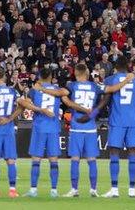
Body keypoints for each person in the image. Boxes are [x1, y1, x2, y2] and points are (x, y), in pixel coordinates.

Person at [61, 63, 134, 197]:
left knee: (75, 159)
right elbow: (112, 89)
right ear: (87, 73)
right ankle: (93, 189)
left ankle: (74, 189)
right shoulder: (95, 86)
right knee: (92, 159)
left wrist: (73, 105)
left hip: (76, 126)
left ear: (76, 73)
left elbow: (63, 97)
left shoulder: (71, 86)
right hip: (90, 127)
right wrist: (127, 80)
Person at [26, 67, 92, 198]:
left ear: (39, 77)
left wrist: (39, 108)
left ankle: (33, 189)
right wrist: (85, 110)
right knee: (54, 160)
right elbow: (67, 100)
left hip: (39, 127)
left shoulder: (34, 91)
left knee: (36, 159)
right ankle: (54, 190)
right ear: (51, 77)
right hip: (53, 127)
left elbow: (26, 104)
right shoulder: (58, 90)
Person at [0, 67, 49, 198]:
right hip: (8, 127)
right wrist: (10, 118)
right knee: (10, 160)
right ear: (4, 77)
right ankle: (12, 190)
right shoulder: (12, 91)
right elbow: (23, 104)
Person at [103, 56, 135, 198]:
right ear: (128, 65)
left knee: (114, 153)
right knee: (132, 153)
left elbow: (106, 101)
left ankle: (114, 190)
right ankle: (132, 190)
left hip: (117, 120)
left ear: (116, 66)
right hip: (132, 121)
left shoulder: (110, 80)